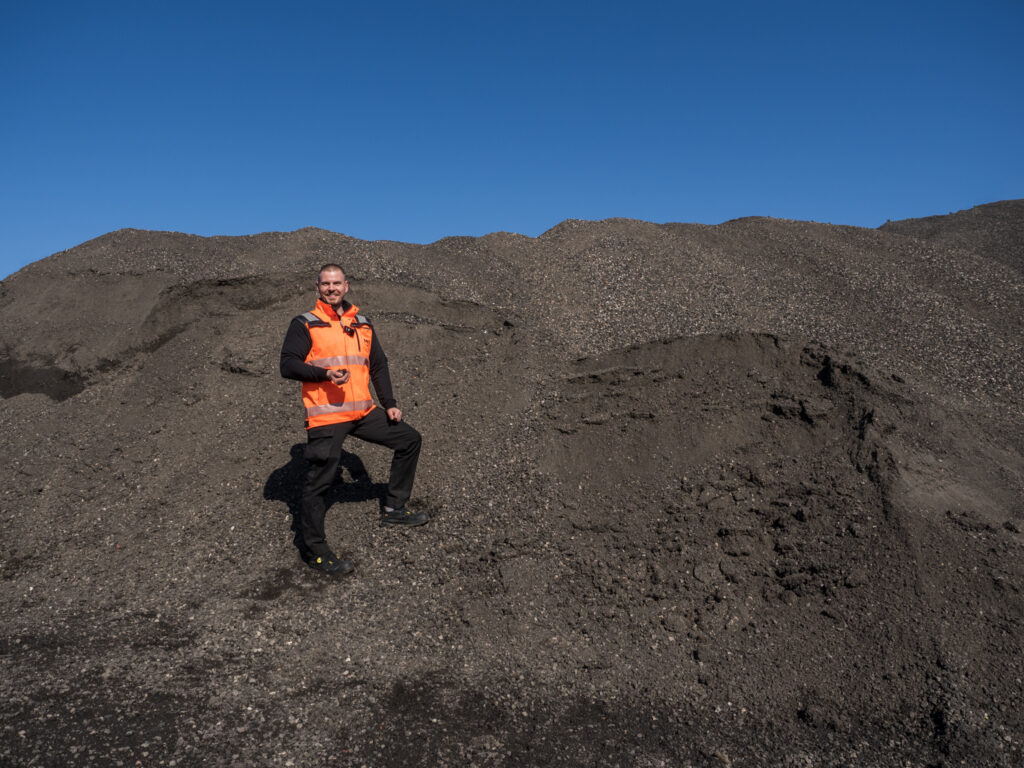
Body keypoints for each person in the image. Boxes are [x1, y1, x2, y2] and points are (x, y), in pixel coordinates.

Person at [280, 263, 427, 575]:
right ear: (317, 287)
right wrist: (324, 373)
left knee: (409, 439)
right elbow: (288, 365)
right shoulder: (306, 324)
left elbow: (378, 365)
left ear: (347, 286)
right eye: (325, 284)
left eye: (336, 283)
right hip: (327, 415)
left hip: (362, 411)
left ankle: (393, 509)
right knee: (318, 483)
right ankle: (315, 551)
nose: (331, 289)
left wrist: (389, 404)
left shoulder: (362, 322)